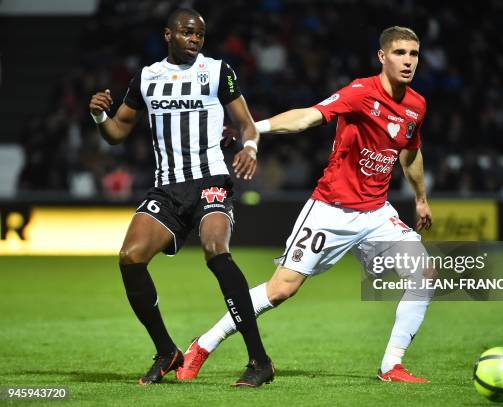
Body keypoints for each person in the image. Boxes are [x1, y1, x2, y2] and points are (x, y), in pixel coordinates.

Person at [177, 26, 434, 383]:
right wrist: (253, 128)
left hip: (376, 214)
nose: (408, 61)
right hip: (331, 210)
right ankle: (203, 345)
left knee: (423, 274)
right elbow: (306, 117)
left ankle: (391, 365)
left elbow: (410, 153)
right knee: (281, 289)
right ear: (382, 56)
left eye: (414, 54)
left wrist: (420, 198)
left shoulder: (416, 105)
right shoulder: (360, 93)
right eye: (400, 53)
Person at [88, 8, 274, 387]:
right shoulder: (146, 78)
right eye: (187, 33)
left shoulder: (217, 71)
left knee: (214, 249)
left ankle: (260, 360)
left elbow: (246, 124)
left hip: (210, 180)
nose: (194, 40)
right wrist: (98, 117)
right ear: (168, 34)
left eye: (200, 35)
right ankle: (166, 351)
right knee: (130, 258)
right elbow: (117, 131)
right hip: (168, 189)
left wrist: (250, 149)